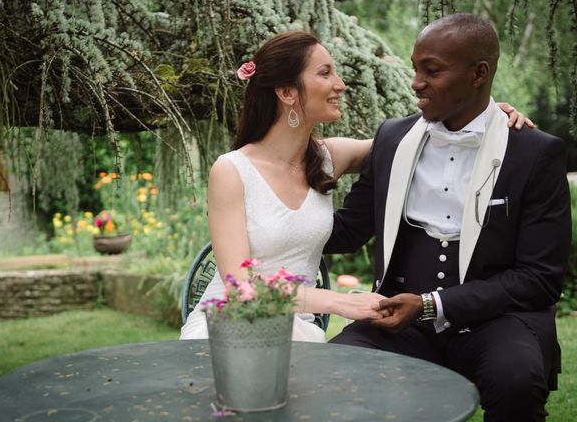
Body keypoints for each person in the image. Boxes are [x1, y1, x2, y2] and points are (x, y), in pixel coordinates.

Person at [180, 29, 530, 344]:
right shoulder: (232, 170)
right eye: (324, 73)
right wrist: (340, 302)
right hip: (232, 322)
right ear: (287, 92)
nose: (340, 84)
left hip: (297, 328)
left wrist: (483, 117)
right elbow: (241, 289)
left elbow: (418, 139)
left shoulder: (330, 156)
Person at [325, 14, 571, 421]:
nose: (416, 82)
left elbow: (540, 279)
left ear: (479, 74)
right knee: (336, 367)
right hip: (400, 323)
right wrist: (267, 209)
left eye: (432, 70)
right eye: (416, 67)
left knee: (516, 380)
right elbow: (348, 232)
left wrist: (430, 304)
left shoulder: (533, 153)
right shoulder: (391, 139)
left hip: (498, 321)